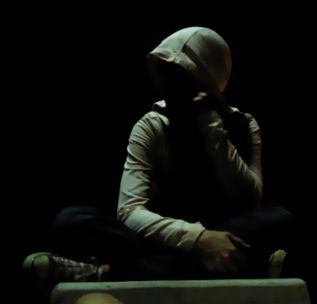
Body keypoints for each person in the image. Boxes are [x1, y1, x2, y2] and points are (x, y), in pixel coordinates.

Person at [22, 27, 294, 294]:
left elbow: (250, 199)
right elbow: (130, 210)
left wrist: (212, 129)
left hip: (225, 235)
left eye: (182, 75)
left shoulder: (242, 124)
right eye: (167, 76)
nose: (170, 86)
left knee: (279, 220)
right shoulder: (152, 125)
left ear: (207, 78)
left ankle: (109, 273)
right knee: (72, 220)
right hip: (162, 240)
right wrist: (197, 239)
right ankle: (234, 268)